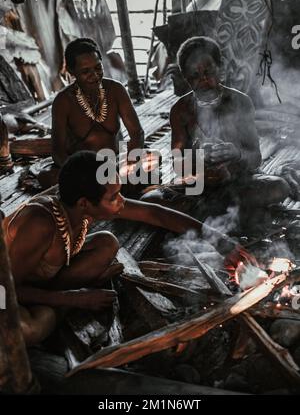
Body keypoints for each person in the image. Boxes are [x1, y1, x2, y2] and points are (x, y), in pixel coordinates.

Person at [5, 150, 205, 346]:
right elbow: (6, 288)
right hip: (6, 289)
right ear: (84, 203)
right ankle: (61, 305)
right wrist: (72, 299)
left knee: (106, 244)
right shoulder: (40, 224)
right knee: (27, 331)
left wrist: (219, 238)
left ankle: (57, 305)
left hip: (40, 284)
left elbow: (155, 214)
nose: (121, 201)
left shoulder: (77, 205)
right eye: (114, 197)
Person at [142, 36, 290, 222]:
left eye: (208, 71)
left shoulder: (241, 102)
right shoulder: (180, 110)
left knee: (278, 187)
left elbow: (255, 157)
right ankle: (229, 211)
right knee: (150, 200)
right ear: (186, 78)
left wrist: (236, 154)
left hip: (237, 183)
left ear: (220, 68)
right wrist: (198, 161)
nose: (203, 80)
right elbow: (179, 166)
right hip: (198, 188)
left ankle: (207, 212)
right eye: (195, 76)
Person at [38, 38, 144, 188]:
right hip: (83, 170)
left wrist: (131, 161)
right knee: (47, 178)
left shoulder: (116, 90)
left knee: (151, 165)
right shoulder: (63, 102)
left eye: (98, 68)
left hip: (115, 163)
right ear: (71, 71)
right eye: (86, 71)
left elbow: (137, 133)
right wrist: (80, 174)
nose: (94, 75)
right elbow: (58, 152)